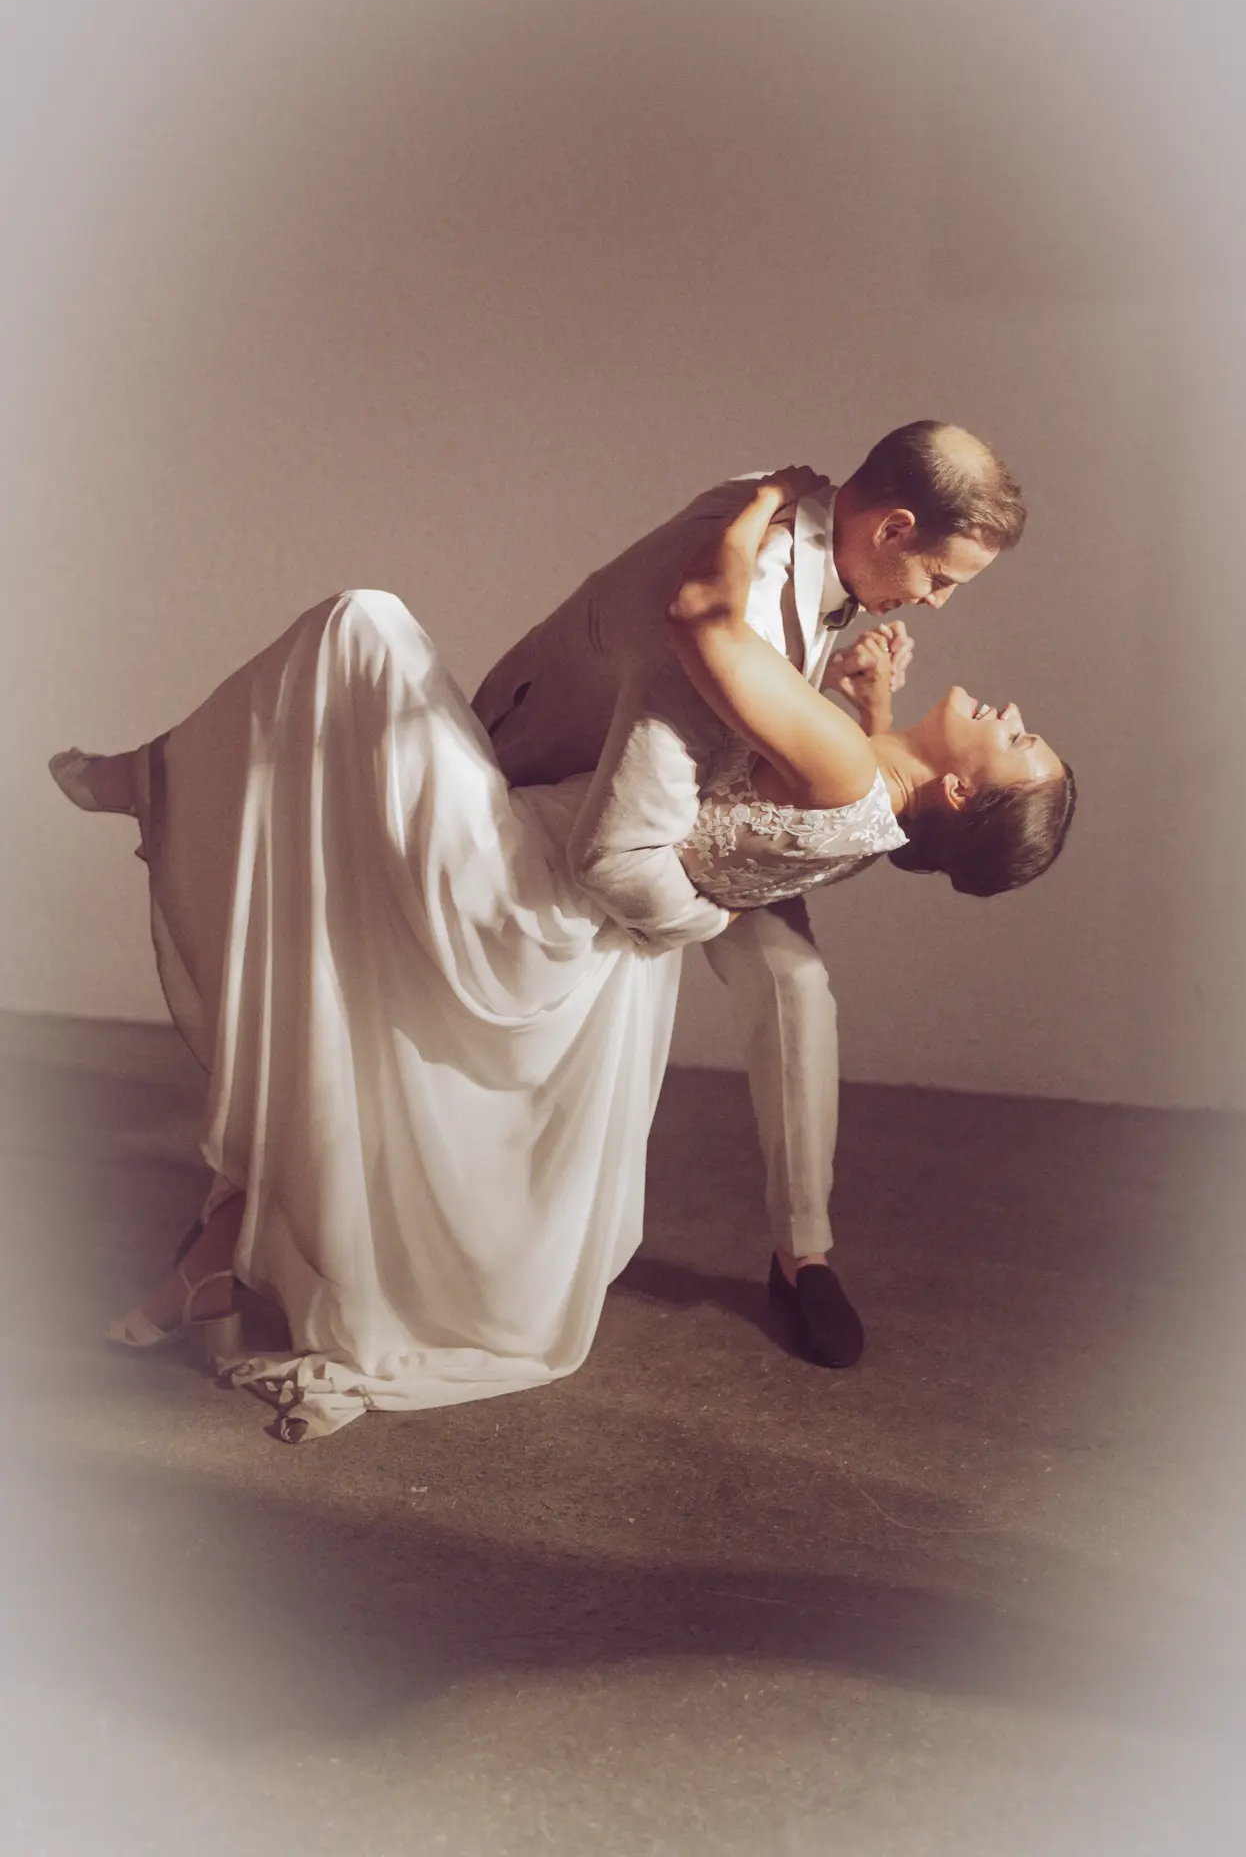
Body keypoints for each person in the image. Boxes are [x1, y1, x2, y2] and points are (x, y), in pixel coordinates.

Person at [49, 471, 1074, 1440]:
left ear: (958, 797)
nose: (1014, 715)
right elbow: (848, 794)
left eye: (1019, 745)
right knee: (352, 1025)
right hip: (588, 922)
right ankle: (208, 1269)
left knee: (362, 626)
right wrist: (868, 702)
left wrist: (760, 500)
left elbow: (699, 626)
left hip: (534, 876)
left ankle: (163, 776)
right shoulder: (872, 801)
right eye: (940, 577)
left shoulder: (845, 761)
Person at [472, 421, 1031, 1365]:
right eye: (942, 578)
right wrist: (703, 913)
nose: (936, 605)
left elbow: (808, 754)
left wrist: (867, 710)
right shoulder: (756, 574)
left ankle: (802, 1253)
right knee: (686, 959)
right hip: (591, 794)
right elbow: (650, 799)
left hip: (715, 809)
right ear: (892, 529)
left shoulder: (803, 525)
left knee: (798, 986)